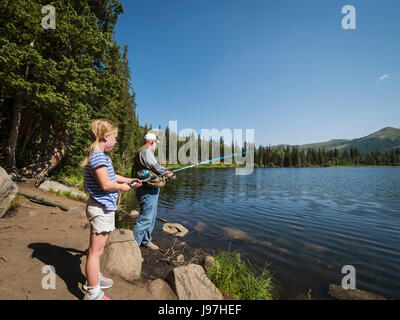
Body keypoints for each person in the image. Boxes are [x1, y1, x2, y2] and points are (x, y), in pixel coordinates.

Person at [81, 119, 142, 300]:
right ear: (106, 137)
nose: (116, 141)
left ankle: (94, 277)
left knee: (95, 250)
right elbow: (107, 184)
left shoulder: (100, 156)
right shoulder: (99, 157)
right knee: (95, 252)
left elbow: (112, 175)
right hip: (100, 209)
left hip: (101, 207)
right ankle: (93, 293)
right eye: (115, 137)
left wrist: (128, 180)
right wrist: (121, 188)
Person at [131, 132, 173, 251]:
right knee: (145, 218)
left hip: (151, 188)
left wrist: (164, 174)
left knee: (152, 215)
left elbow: (152, 170)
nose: (155, 146)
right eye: (155, 143)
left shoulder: (145, 152)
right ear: (152, 142)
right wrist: (167, 172)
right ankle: (133, 249)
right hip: (146, 190)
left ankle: (146, 240)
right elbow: (155, 167)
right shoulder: (145, 152)